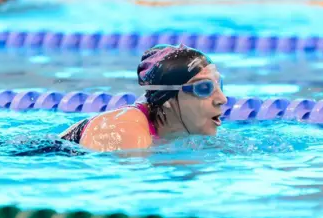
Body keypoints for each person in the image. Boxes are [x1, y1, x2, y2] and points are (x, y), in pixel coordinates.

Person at [59, 43, 228, 152]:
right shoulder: (124, 129)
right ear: (167, 98)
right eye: (204, 88)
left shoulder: (168, 127)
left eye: (219, 85)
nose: (222, 99)